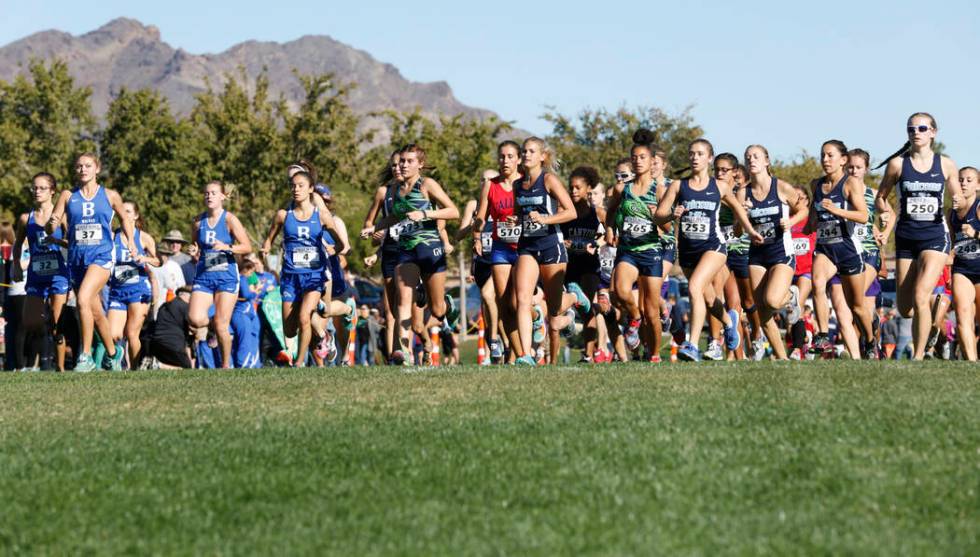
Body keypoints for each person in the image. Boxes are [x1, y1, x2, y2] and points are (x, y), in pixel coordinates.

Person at [655, 139, 762, 361]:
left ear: (709, 158)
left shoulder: (719, 186)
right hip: (687, 251)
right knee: (708, 296)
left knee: (694, 287)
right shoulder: (678, 186)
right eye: (692, 153)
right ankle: (728, 321)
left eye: (700, 153)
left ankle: (692, 344)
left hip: (714, 247)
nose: (695, 157)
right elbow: (659, 215)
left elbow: (738, 210)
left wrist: (750, 231)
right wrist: (672, 214)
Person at [875, 112, 963, 360]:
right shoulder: (897, 164)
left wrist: (958, 200)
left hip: (935, 236)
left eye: (922, 128)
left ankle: (919, 355)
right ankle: (936, 307)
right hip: (906, 237)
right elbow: (881, 197)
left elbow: (958, 195)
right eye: (911, 129)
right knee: (905, 308)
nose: (916, 133)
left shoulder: (945, 164)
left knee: (920, 295)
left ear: (933, 132)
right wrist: (884, 211)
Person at [363, 144, 460, 364]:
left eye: (409, 161)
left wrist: (425, 213)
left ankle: (447, 305)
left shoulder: (427, 184)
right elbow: (395, 218)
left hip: (431, 250)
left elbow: (453, 211)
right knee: (403, 298)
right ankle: (404, 351)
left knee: (436, 309)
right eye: (402, 161)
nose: (404, 165)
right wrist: (376, 226)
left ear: (420, 164)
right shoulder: (396, 189)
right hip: (406, 251)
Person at [47, 153, 136, 371]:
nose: (83, 169)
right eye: (79, 166)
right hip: (77, 260)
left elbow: (125, 218)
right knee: (95, 312)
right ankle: (114, 354)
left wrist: (131, 241)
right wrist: (52, 223)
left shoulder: (109, 195)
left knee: (82, 300)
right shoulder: (68, 196)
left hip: (102, 256)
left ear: (97, 169)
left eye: (88, 166)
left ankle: (84, 356)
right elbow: (53, 223)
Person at [262, 170, 346, 367]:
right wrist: (265, 250)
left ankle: (299, 362)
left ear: (310, 189)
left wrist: (329, 251)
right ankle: (322, 336)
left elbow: (342, 246)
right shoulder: (283, 216)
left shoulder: (322, 216)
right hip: (291, 277)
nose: (296, 189)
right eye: (293, 185)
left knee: (304, 317)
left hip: (314, 276)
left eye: (300, 185)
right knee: (290, 330)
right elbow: (268, 241)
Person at [512, 137, 578, 365]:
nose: (526, 154)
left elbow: (571, 212)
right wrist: (516, 221)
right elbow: (520, 213)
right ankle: (526, 355)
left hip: (551, 245)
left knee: (554, 307)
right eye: (524, 151)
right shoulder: (517, 185)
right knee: (522, 300)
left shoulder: (549, 180)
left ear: (542, 156)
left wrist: (546, 219)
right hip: (527, 246)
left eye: (532, 151)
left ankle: (574, 297)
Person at [808, 140, 874, 359]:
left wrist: (837, 211)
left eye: (830, 155)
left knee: (857, 307)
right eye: (822, 156)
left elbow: (863, 216)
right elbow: (811, 222)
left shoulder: (850, 183)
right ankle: (823, 335)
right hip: (826, 249)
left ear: (843, 160)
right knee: (817, 283)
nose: (825, 160)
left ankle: (871, 341)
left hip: (847, 248)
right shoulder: (816, 185)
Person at [743, 145, 808, 360]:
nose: (751, 160)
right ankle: (782, 358)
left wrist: (790, 221)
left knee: (772, 301)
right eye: (748, 157)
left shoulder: (780, 187)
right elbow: (736, 229)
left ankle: (791, 296)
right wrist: (741, 215)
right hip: (757, 253)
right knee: (762, 311)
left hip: (781, 251)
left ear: (766, 161)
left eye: (756, 156)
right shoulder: (742, 192)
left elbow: (804, 210)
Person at [605, 129, 664, 361]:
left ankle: (655, 355)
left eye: (643, 158)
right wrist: (610, 228)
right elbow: (610, 211)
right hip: (628, 250)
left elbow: (669, 227)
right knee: (619, 291)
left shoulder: (659, 189)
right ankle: (634, 317)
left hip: (651, 251)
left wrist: (658, 216)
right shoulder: (623, 188)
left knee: (653, 311)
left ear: (652, 161)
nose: (638, 161)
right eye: (635, 158)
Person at [188, 181, 253, 369]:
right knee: (195, 318)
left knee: (221, 323)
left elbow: (247, 246)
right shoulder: (198, 221)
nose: (209, 196)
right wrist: (194, 250)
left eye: (213, 193)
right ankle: (212, 331)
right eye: (206, 193)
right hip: (205, 277)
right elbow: (196, 245)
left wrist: (228, 247)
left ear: (223, 197)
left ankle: (225, 366)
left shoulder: (229, 220)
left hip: (227, 277)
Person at [12, 172, 71, 371]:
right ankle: (42, 354)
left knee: (57, 325)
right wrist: (16, 265)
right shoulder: (25, 218)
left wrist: (57, 241)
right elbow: (17, 244)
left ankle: (60, 368)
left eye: (42, 188)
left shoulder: (61, 215)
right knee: (30, 322)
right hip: (36, 276)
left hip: (57, 276)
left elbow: (73, 242)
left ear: (52, 191)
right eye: (34, 188)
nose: (37, 192)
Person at [107, 201, 160, 369]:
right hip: (117, 290)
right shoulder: (112, 236)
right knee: (113, 335)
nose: (125, 214)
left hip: (138, 290)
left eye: (128, 211)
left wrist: (145, 259)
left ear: (136, 215)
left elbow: (159, 261)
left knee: (131, 333)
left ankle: (134, 368)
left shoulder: (143, 237)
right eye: (122, 211)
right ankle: (121, 358)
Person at [458, 169, 503, 361]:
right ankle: (497, 349)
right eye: (482, 179)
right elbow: (459, 235)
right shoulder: (473, 205)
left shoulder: (503, 201)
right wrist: (475, 225)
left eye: (490, 179)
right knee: (488, 305)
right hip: (481, 261)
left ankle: (496, 342)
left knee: (492, 297)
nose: (486, 182)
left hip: (501, 258)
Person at [561, 165, 603, 361]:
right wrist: (569, 245)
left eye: (578, 187)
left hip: (590, 267)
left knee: (588, 311)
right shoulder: (564, 213)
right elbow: (558, 240)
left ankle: (588, 353)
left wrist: (600, 241)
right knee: (579, 307)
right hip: (570, 267)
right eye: (571, 187)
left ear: (588, 189)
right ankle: (568, 320)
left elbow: (610, 235)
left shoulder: (598, 213)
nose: (573, 191)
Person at [949, 167, 980, 361]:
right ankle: (971, 362)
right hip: (962, 269)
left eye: (969, 180)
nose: (963, 183)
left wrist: (975, 234)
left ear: (978, 185)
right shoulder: (951, 212)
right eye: (961, 180)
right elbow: (949, 241)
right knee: (962, 314)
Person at [150, 285, 193, 368]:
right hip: (174, 346)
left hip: (156, 345)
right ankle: (159, 365)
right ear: (188, 296)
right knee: (187, 368)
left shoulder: (164, 306)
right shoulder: (185, 307)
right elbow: (192, 330)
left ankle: (157, 364)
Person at [231, 259, 261, 368]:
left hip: (248, 313)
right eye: (251, 271)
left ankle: (254, 363)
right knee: (245, 341)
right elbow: (246, 294)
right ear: (246, 269)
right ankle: (243, 364)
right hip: (241, 313)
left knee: (253, 337)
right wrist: (255, 292)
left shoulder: (240, 279)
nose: (252, 274)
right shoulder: (242, 279)